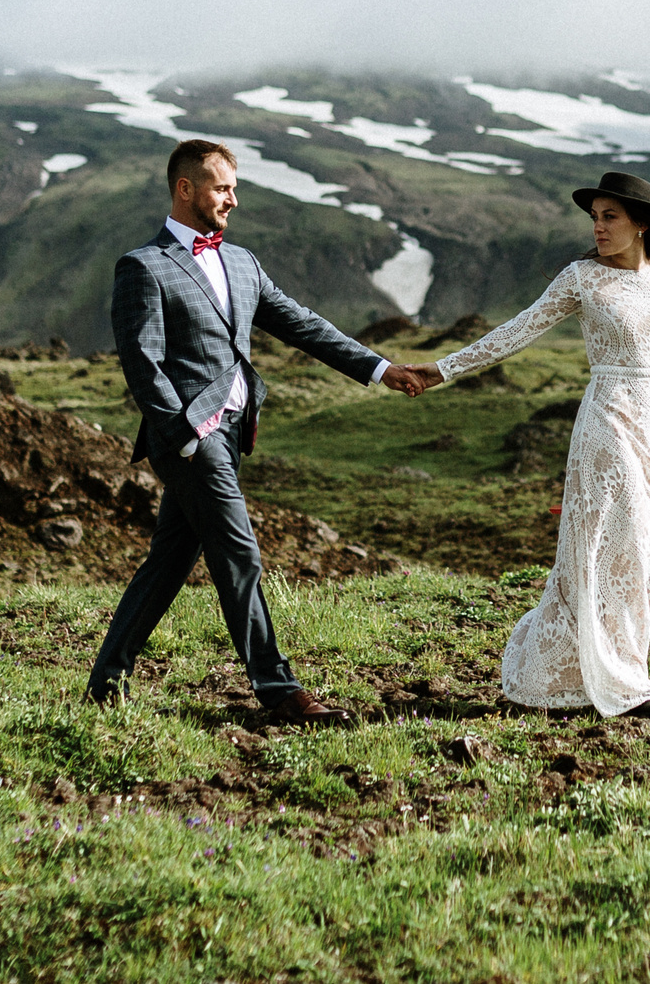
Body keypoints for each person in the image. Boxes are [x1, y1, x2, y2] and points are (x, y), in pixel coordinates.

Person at [86, 138, 429, 725]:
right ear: (185, 189)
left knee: (169, 561)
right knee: (239, 553)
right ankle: (278, 688)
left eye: (235, 188)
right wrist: (187, 438)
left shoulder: (242, 262)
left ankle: (104, 684)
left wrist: (380, 368)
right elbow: (142, 364)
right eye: (223, 188)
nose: (233, 200)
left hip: (235, 430)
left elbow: (302, 324)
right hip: (191, 440)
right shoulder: (142, 267)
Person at [421, 171, 650, 719]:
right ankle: (630, 685)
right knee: (628, 547)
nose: (599, 226)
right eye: (595, 217)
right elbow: (517, 330)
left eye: (610, 216)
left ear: (642, 224)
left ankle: (547, 672)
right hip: (606, 424)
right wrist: (442, 369)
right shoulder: (582, 278)